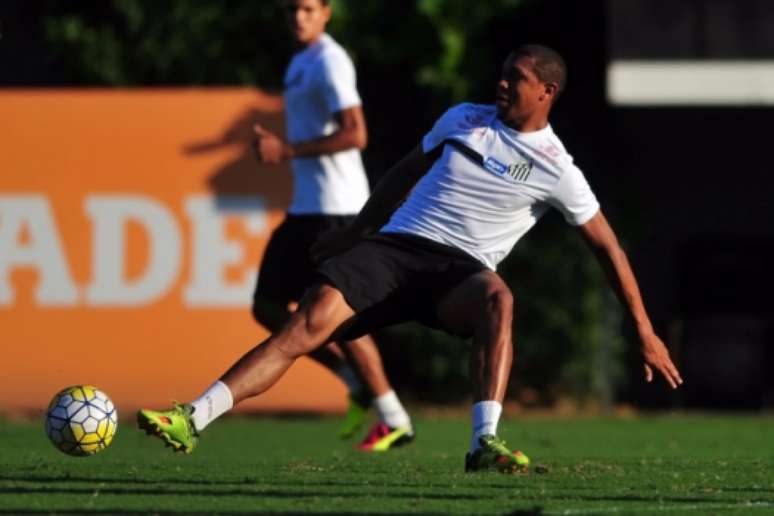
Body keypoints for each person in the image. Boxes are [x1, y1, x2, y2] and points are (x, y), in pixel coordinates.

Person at [138, 44, 683, 472]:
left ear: (547, 90)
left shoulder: (558, 170)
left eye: (514, 77)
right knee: (307, 322)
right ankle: (193, 417)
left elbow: (608, 247)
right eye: (502, 73)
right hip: (394, 250)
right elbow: (402, 172)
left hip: (458, 274)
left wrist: (644, 331)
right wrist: (356, 232)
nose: (501, 82)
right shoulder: (464, 118)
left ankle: (484, 443)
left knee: (499, 298)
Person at [249, 0, 413, 450]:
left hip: (337, 209)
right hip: (307, 209)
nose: (297, 18)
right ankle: (353, 382)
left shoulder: (331, 59)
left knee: (341, 318)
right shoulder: (301, 61)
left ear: (326, 13)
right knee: (266, 306)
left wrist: (286, 152)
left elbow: (356, 133)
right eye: (289, 10)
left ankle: (395, 417)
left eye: (306, 9)